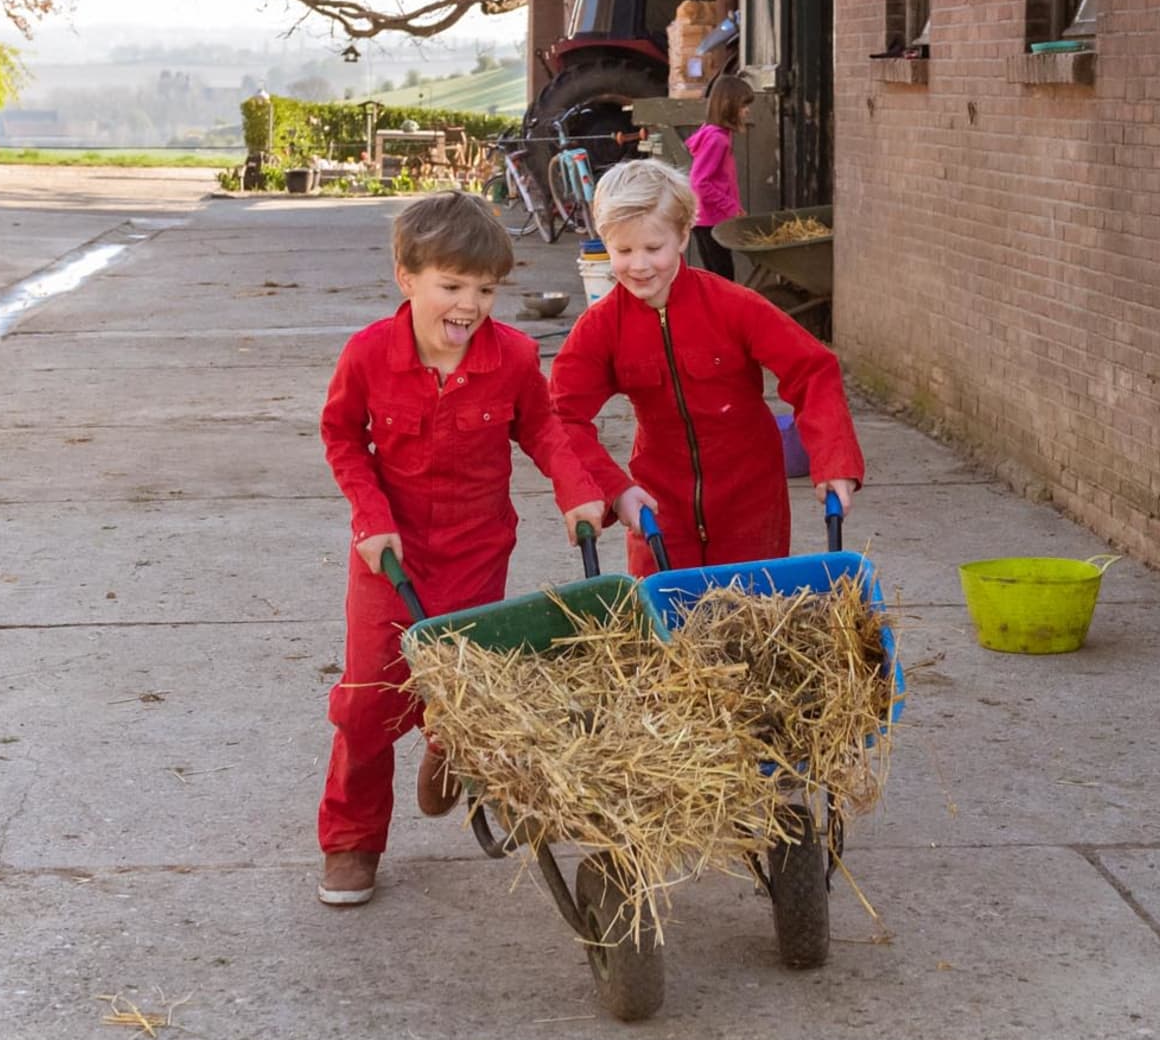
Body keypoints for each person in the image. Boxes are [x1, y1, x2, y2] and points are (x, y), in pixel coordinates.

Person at [318, 192, 605, 907]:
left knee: (467, 681)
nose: (469, 305)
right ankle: (352, 841)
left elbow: (543, 431)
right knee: (366, 701)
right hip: (390, 553)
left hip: (476, 550)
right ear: (406, 277)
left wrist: (576, 490)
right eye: (452, 286)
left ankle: (447, 748)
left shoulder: (509, 357)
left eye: (484, 290)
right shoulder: (367, 357)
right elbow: (343, 438)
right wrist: (370, 517)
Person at [549, 159, 864, 576]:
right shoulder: (602, 327)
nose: (639, 265)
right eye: (623, 251)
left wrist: (834, 462)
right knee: (665, 616)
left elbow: (812, 370)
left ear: (682, 237)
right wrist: (615, 489)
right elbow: (560, 414)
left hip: (749, 498)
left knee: (748, 615)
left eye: (652, 248)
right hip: (659, 504)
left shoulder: (732, 305)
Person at [685, 74, 755, 281]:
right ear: (728, 106)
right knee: (723, 279)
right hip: (711, 221)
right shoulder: (717, 140)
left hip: (708, 219)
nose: (747, 110)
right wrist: (731, 207)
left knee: (716, 277)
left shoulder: (715, 133)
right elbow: (699, 183)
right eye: (743, 105)